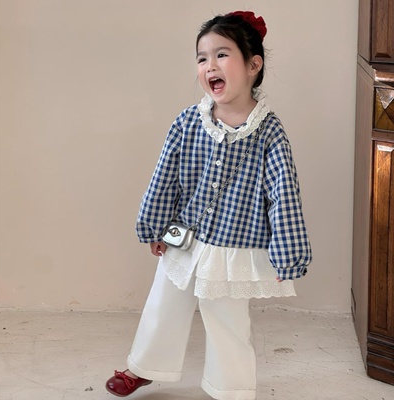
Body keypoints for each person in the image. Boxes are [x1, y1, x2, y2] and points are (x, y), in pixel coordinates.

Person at [106, 10, 312, 400]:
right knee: (164, 298)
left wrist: (288, 255)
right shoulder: (189, 121)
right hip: (183, 230)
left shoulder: (268, 132)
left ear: (253, 65)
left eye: (221, 54)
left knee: (226, 317)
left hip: (234, 242)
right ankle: (144, 367)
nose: (209, 65)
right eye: (202, 58)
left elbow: (283, 194)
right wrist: (154, 227)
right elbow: (165, 177)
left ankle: (231, 389)